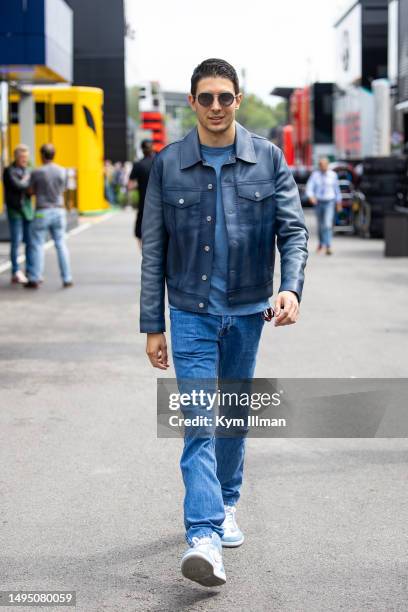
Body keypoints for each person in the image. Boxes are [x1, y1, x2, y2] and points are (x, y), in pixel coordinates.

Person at [139, 58, 308, 587]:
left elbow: (294, 231)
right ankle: (205, 537)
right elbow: (153, 250)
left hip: (247, 311)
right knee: (199, 423)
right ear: (192, 102)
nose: (216, 106)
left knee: (232, 415)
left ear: (238, 99)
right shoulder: (168, 165)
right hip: (189, 312)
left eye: (225, 97)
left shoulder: (268, 158)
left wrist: (290, 286)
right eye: (206, 97)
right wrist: (153, 324)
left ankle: (227, 500)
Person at [26, 144, 73, 289]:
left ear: (41, 155)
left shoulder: (37, 172)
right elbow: (64, 188)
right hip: (59, 210)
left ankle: (35, 277)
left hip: (42, 210)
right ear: (54, 154)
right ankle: (67, 277)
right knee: (60, 244)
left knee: (38, 244)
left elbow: (30, 191)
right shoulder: (62, 171)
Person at [3, 144, 34, 284]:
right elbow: (18, 186)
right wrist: (27, 181)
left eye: (26, 157)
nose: (24, 160)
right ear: (16, 157)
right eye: (22, 157)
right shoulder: (9, 171)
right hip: (15, 210)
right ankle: (15, 271)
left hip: (27, 211)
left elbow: (31, 187)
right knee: (16, 242)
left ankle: (29, 270)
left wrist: (27, 182)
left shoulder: (27, 170)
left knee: (29, 242)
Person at [306, 157, 342, 255]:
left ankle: (328, 245)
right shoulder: (315, 175)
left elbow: (336, 190)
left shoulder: (333, 175)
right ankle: (321, 243)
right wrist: (311, 196)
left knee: (327, 224)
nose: (323, 166)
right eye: (321, 165)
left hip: (329, 202)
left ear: (327, 165)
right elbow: (309, 187)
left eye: (324, 164)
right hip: (318, 202)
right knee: (321, 226)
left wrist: (339, 203)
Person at [128, 140, 155, 248]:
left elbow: (130, 185)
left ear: (142, 150)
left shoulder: (138, 165)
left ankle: (145, 255)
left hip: (143, 204)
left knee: (140, 232)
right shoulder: (158, 162)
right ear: (152, 148)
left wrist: (139, 185)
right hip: (159, 204)